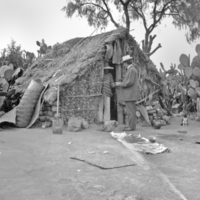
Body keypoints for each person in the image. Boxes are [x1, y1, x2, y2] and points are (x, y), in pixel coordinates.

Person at [115, 55, 139, 131]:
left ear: (126, 63)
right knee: (130, 111)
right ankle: (131, 125)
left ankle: (132, 127)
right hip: (130, 94)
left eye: (124, 63)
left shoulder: (131, 70)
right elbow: (128, 80)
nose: (123, 65)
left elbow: (130, 82)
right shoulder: (131, 70)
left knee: (131, 111)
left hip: (130, 94)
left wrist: (120, 84)